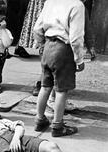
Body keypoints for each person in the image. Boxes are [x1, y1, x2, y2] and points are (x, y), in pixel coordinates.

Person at [33, 0, 85, 137]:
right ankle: (57, 125)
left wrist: (42, 44)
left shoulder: (50, 2)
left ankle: (39, 119)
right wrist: (79, 59)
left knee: (45, 86)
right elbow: (76, 37)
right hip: (64, 49)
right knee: (61, 90)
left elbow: (37, 28)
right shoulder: (77, 5)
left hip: (48, 46)